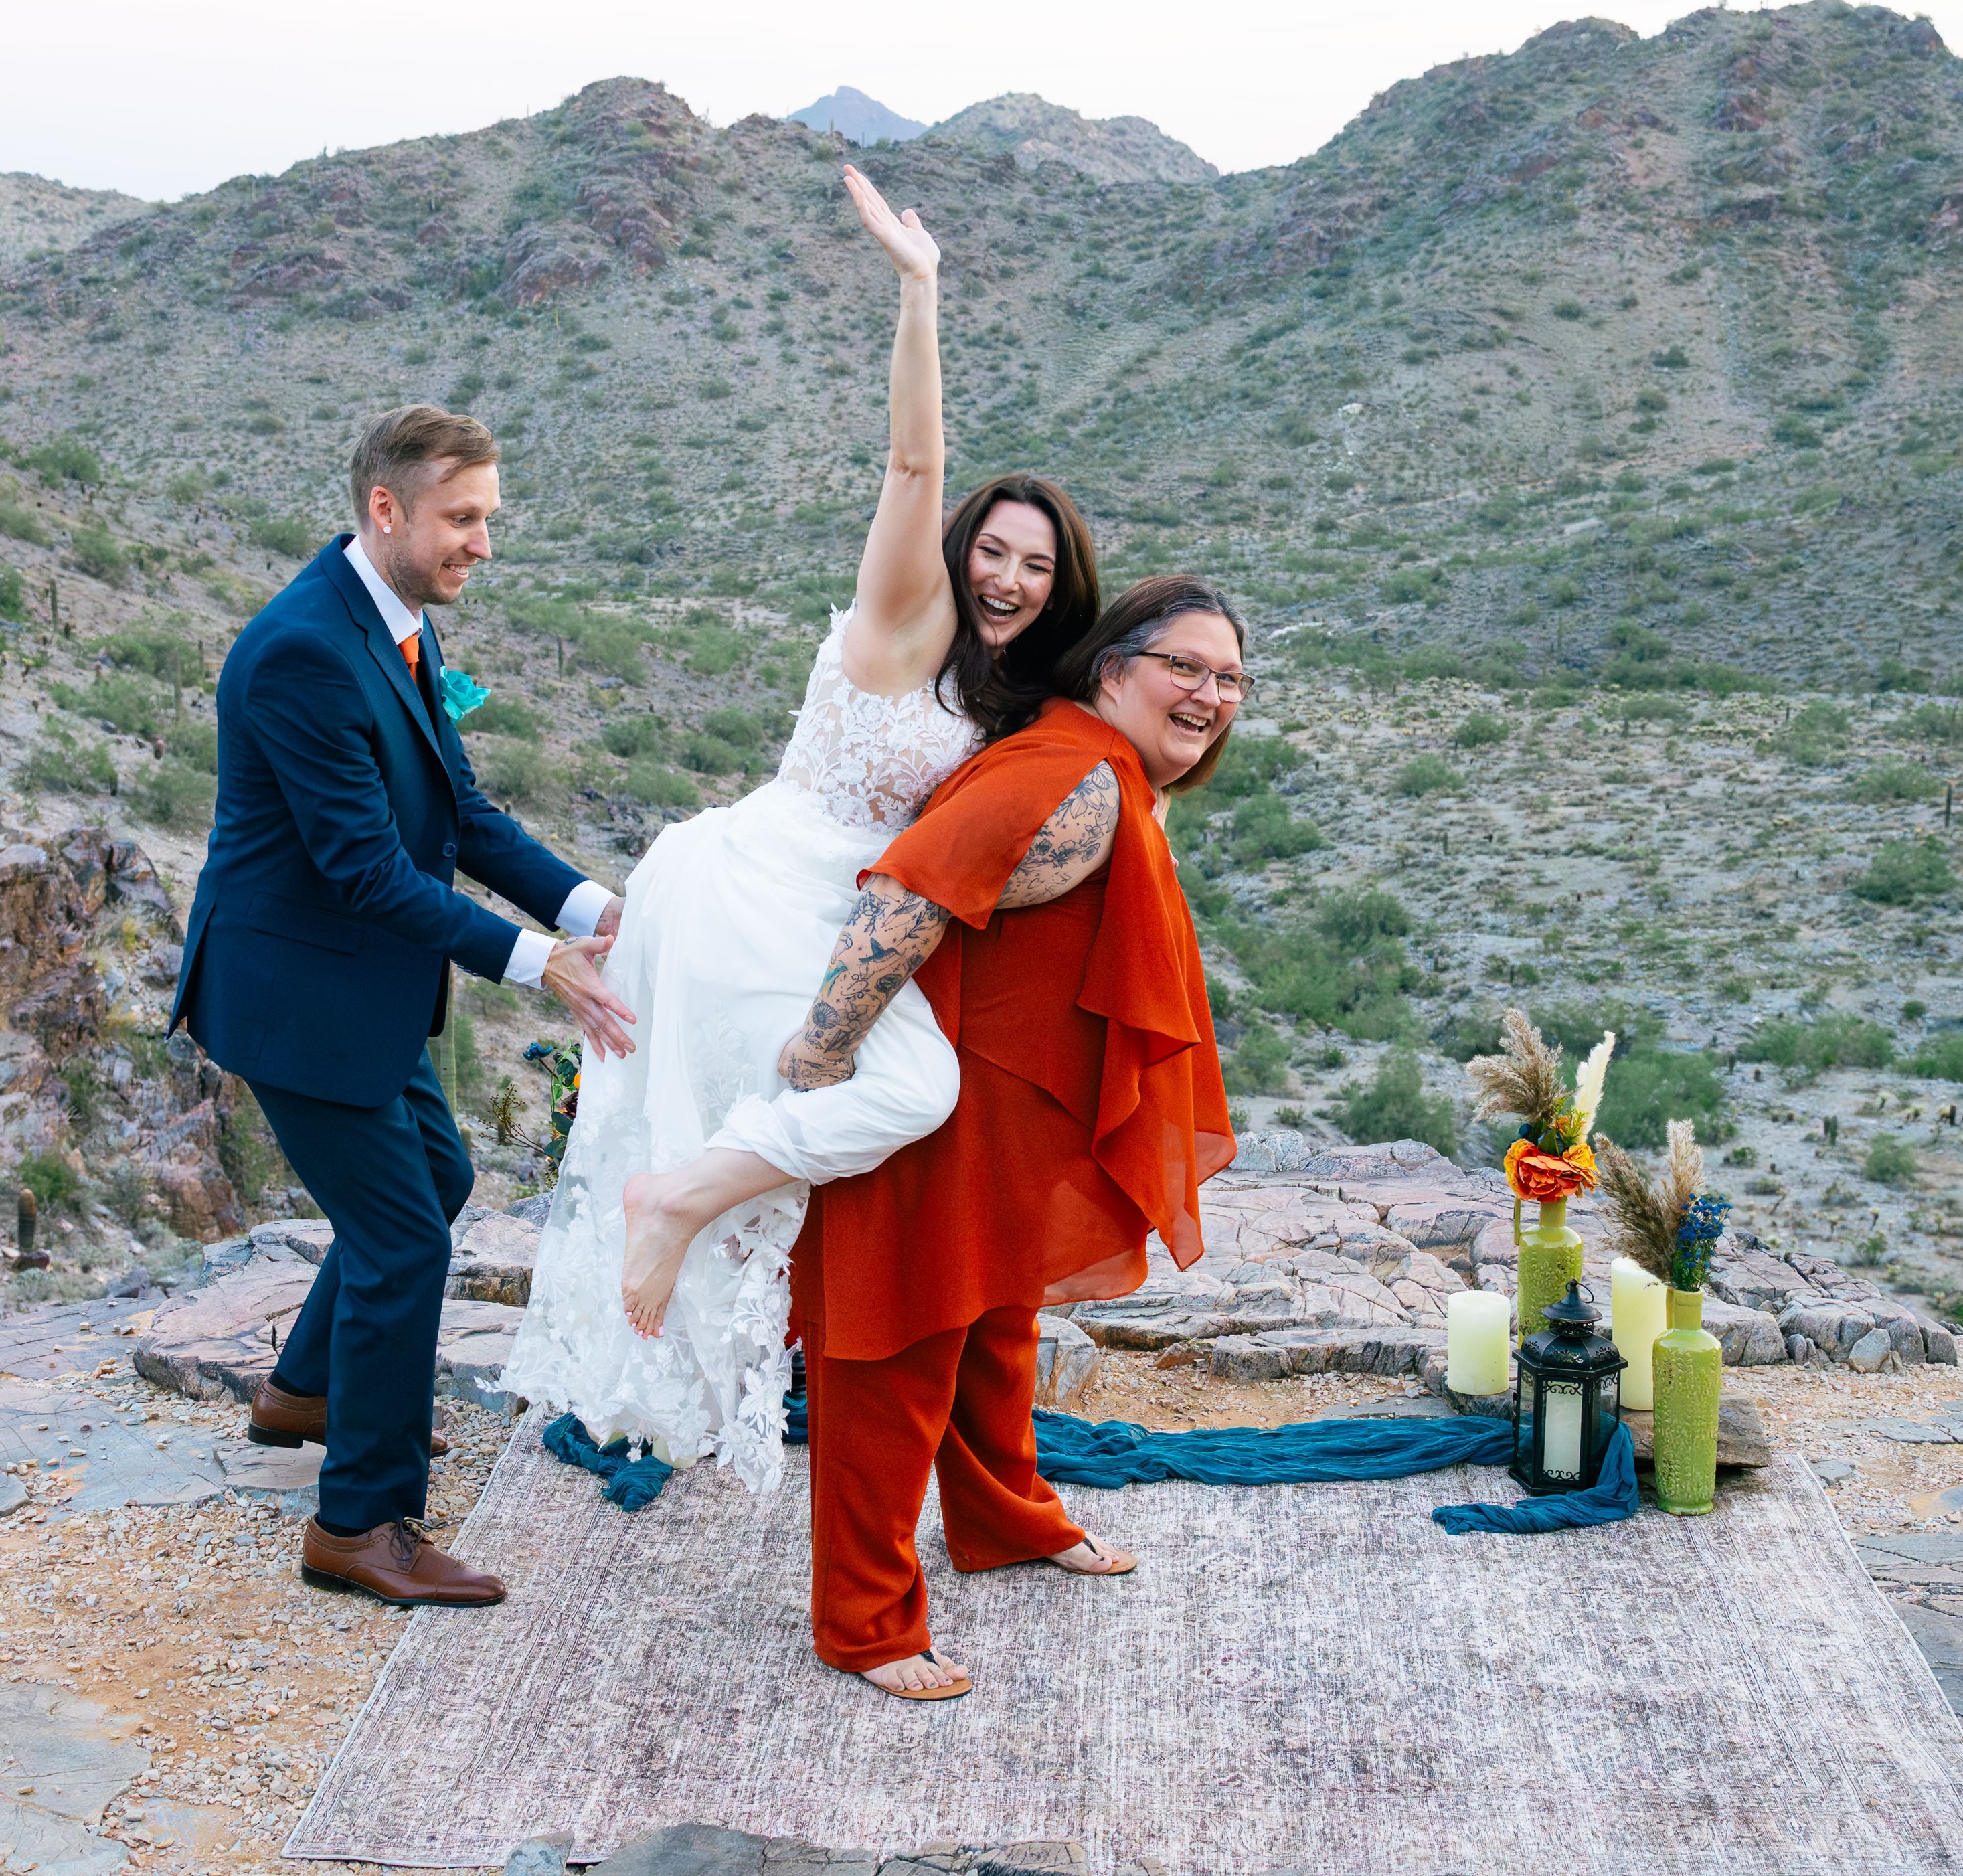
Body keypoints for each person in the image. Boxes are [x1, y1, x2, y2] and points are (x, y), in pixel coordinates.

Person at [499, 165, 1100, 1493]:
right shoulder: (907, 618)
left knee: (812, 1123)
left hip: (821, 913)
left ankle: (688, 1293)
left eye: (1035, 566)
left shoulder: (999, 697)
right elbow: (911, 461)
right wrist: (920, 290)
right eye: (993, 549)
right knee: (909, 1090)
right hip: (757, 885)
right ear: (959, 549)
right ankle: (675, 1205)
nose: (1005, 575)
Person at [171, 404, 636, 1608]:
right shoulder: (304, 651)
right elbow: (365, 870)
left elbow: (464, 816)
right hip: (292, 997)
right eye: (462, 518)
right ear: (386, 509)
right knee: (405, 1238)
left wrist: (593, 910)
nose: (483, 542)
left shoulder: (397, 622)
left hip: (358, 989)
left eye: (489, 517)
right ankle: (360, 1524)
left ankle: (306, 1391)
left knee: (433, 1182)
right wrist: (541, 966)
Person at [780, 574, 1245, 1698]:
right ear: (1111, 667)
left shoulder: (1107, 771)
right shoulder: (1069, 773)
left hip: (1005, 1118)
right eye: (1182, 665)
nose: (1209, 693)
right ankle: (865, 1620)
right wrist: (818, 1059)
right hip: (937, 1118)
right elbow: (906, 895)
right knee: (892, 1355)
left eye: (1228, 677)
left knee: (994, 1324)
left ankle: (1002, 1517)